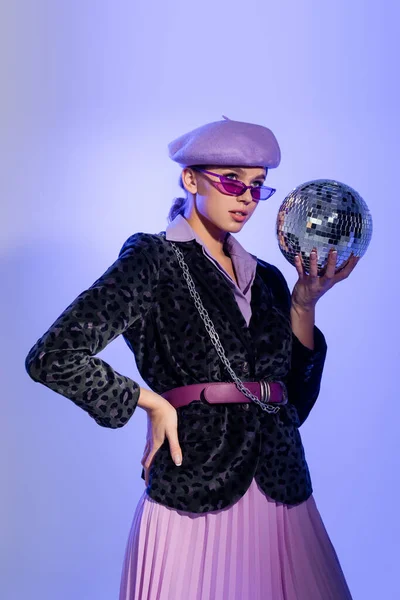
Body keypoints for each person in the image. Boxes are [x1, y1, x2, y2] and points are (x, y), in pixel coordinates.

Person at [25, 116, 357, 599]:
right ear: (190, 179)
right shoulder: (153, 259)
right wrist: (152, 402)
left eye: (258, 187)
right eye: (232, 182)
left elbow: (294, 405)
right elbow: (54, 355)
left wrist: (303, 304)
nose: (246, 197)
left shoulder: (268, 278)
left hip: (283, 489)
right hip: (195, 488)